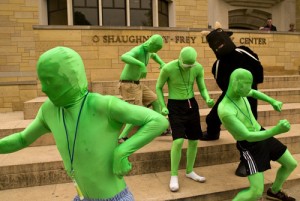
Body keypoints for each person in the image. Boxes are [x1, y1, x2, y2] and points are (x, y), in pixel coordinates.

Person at [0, 46, 169, 201]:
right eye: (41, 80)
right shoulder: (49, 111)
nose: (43, 88)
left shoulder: (103, 105)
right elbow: (22, 139)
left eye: (50, 80)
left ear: (71, 77)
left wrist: (122, 152)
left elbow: (158, 121)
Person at [218, 68, 298, 201]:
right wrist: (277, 130)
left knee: (291, 164)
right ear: (235, 83)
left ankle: (274, 191)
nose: (249, 88)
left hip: (262, 133)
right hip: (250, 146)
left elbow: (253, 93)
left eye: (250, 83)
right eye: (246, 85)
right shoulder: (225, 110)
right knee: (255, 193)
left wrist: (272, 101)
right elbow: (247, 136)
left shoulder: (241, 92)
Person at [156, 46, 214, 192]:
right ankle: (174, 175)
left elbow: (202, 87)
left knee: (194, 140)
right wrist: (162, 106)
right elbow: (158, 87)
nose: (188, 68)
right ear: (180, 58)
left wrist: (207, 98)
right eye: (186, 65)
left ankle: (189, 171)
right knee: (178, 140)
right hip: (175, 106)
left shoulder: (197, 68)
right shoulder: (168, 68)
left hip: (191, 105)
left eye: (191, 65)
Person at [118, 34, 166, 140]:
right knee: (137, 110)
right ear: (150, 43)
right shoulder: (138, 50)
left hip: (137, 84)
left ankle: (159, 128)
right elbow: (124, 56)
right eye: (156, 48)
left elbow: (154, 55)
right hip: (128, 85)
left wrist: (161, 62)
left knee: (156, 101)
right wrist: (141, 65)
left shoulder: (149, 51)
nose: (156, 51)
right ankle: (122, 136)